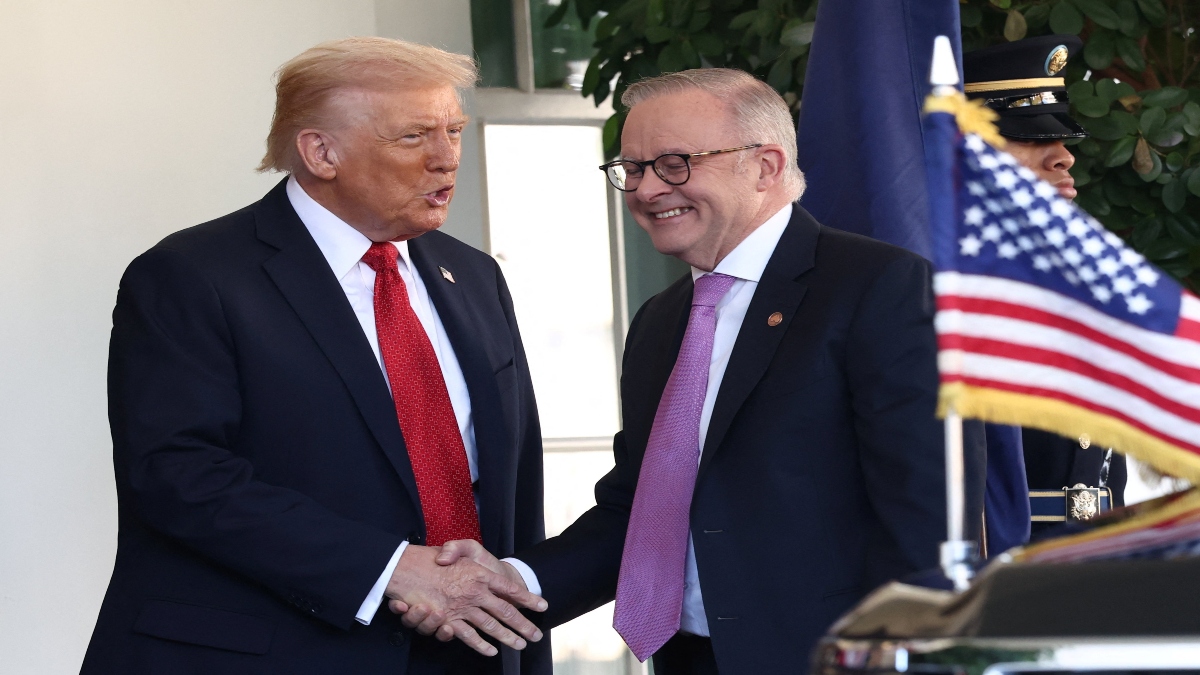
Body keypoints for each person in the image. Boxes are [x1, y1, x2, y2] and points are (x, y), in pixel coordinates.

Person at [421, 68, 985, 674]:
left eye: (673, 163)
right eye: (633, 169)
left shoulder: (881, 287)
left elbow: (930, 511)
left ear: (765, 166)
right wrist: (509, 581)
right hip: (689, 658)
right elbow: (642, 509)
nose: (646, 190)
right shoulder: (661, 321)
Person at [81, 37, 550, 675]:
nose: (446, 160)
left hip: (465, 650)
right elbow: (176, 474)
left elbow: (507, 479)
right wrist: (390, 570)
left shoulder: (474, 275)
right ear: (320, 152)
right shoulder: (192, 276)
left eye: (455, 131)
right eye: (413, 137)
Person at [964, 35, 1128, 531]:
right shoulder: (936, 286)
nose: (1062, 158)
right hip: (997, 573)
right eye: (1031, 138)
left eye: (1060, 139)